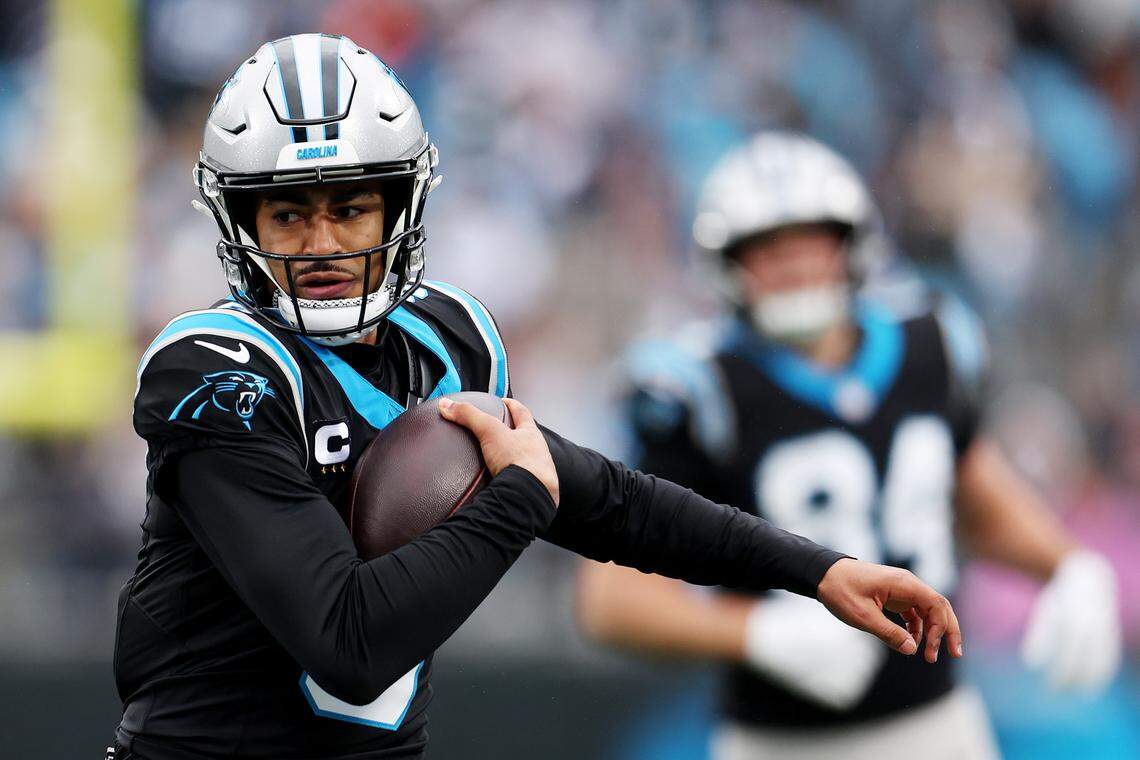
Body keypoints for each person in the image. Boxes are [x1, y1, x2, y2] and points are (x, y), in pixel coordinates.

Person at [113, 38, 962, 760]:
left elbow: (612, 503)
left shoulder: (448, 341)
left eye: (352, 207)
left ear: (400, 205)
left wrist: (818, 570)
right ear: (241, 225)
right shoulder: (217, 372)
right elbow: (349, 642)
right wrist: (520, 495)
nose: (323, 243)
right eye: (289, 214)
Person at [575, 131, 1123, 760]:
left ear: (852, 245)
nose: (795, 267)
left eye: (812, 242)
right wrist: (754, 633)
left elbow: (976, 498)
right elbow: (610, 602)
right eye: (767, 251)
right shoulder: (699, 390)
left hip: (938, 724)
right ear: (727, 266)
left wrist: (1070, 567)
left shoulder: (930, 344)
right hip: (778, 740)